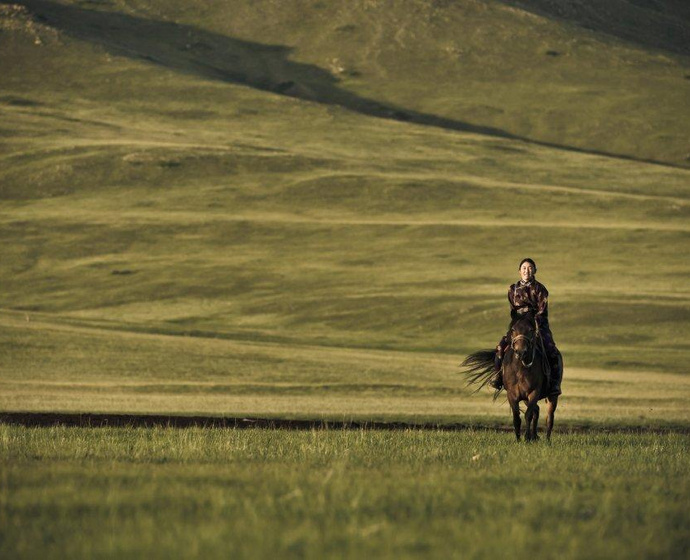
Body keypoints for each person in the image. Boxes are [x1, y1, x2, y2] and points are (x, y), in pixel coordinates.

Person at [490, 258, 562, 396]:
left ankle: (554, 384)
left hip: (537, 324)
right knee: (500, 347)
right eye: (524, 268)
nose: (526, 271)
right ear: (519, 271)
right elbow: (513, 309)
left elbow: (542, 310)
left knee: (552, 350)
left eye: (530, 268)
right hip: (519, 325)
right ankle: (498, 376)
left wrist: (534, 320)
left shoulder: (540, 289)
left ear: (535, 270)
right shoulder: (512, 289)